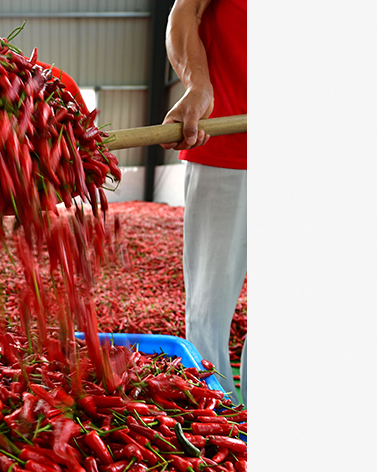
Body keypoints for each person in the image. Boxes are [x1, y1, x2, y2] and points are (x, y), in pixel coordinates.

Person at [160, 0, 247, 405]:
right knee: (208, 311)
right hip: (224, 145)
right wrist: (198, 85)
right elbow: (186, 10)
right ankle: (217, 418)